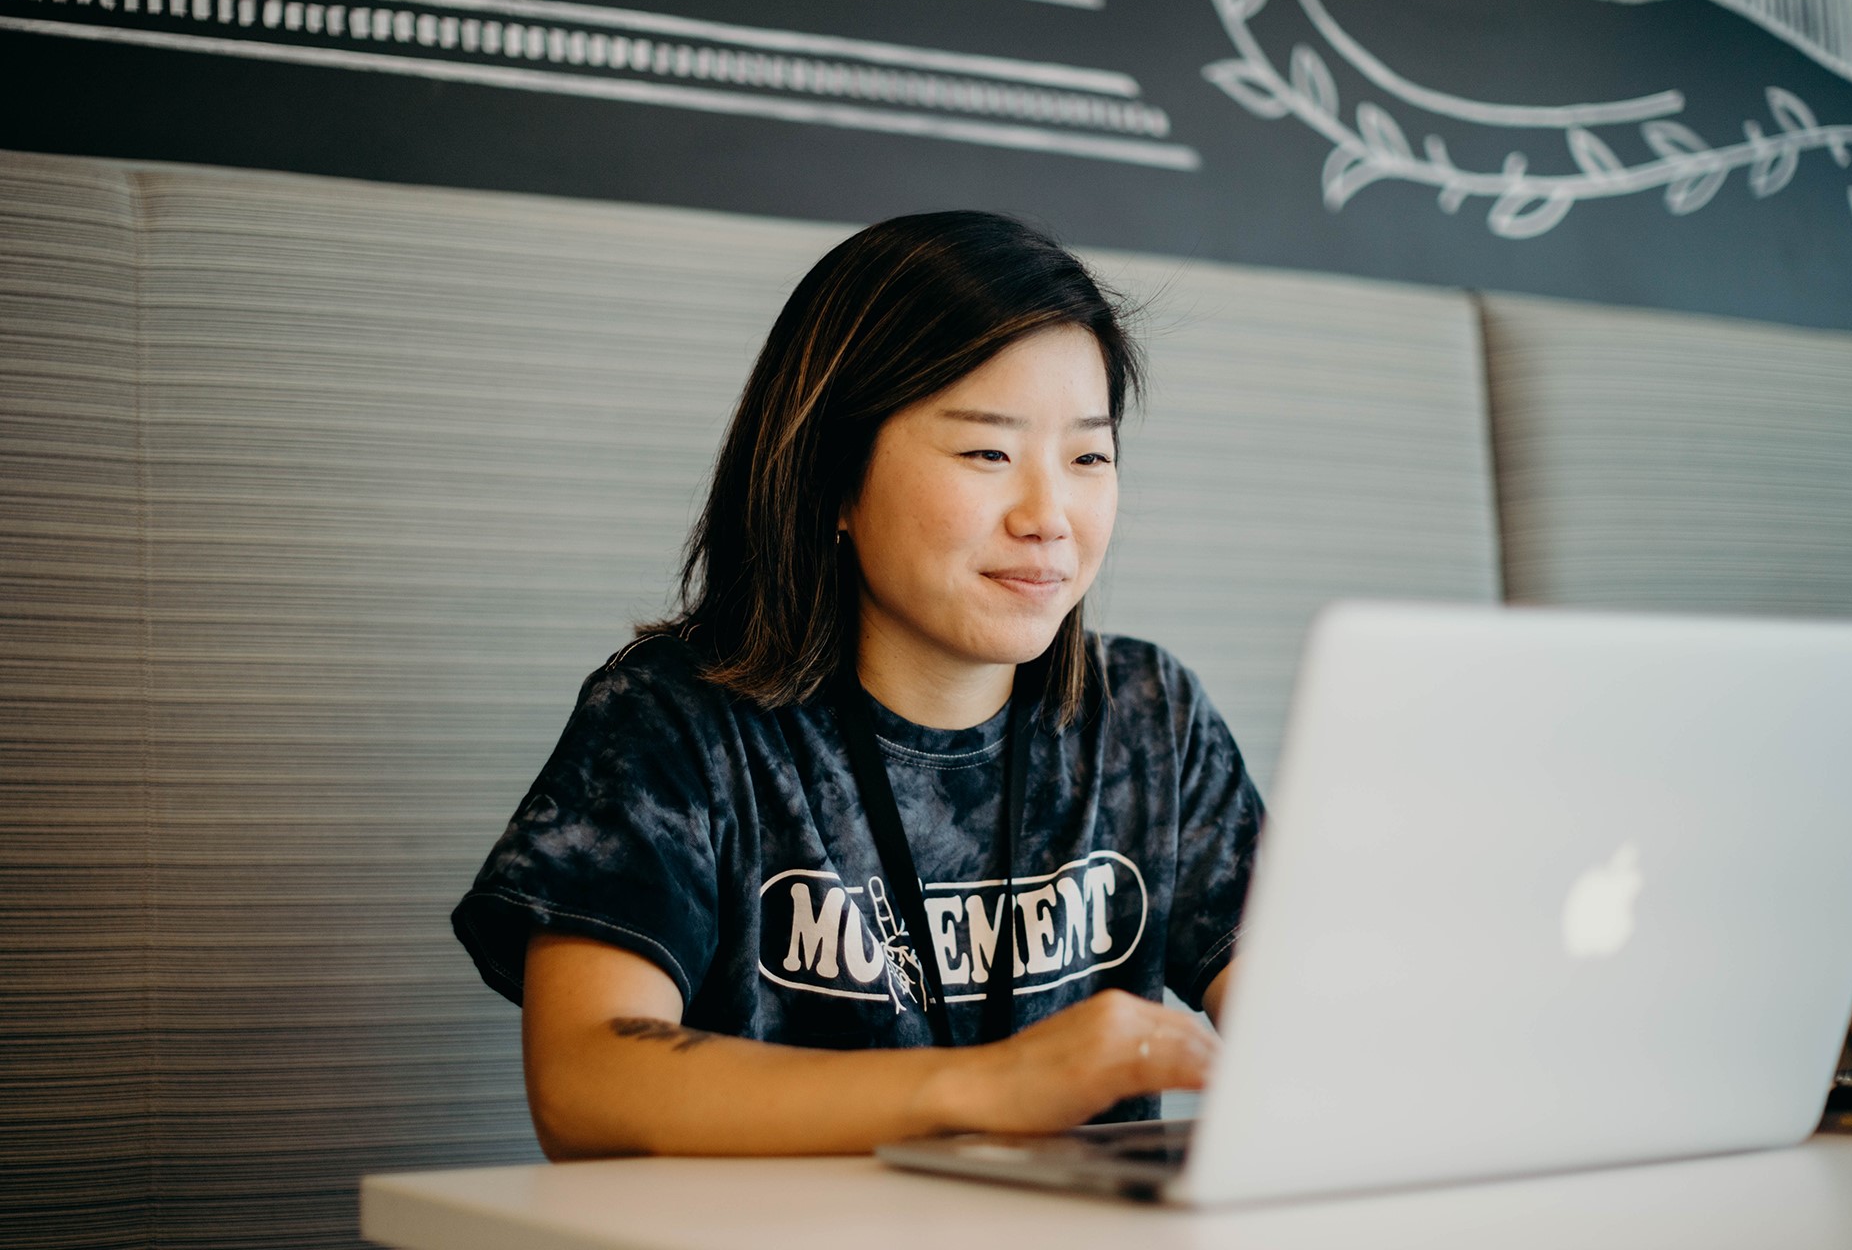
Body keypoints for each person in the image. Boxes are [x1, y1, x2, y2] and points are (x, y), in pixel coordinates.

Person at [452, 211, 1265, 1160]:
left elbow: (1320, 1031)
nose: (1050, 517)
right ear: (833, 478)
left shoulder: (1147, 719)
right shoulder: (675, 720)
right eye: (987, 454)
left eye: (1089, 456)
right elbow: (585, 1084)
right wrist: (990, 1087)